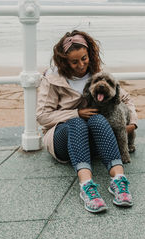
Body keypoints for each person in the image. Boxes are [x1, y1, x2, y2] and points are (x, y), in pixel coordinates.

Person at [36, 30, 138, 213]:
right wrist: (76, 113)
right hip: (63, 139)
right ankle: (87, 186)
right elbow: (42, 116)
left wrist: (133, 124)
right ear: (64, 61)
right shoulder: (53, 79)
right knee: (77, 122)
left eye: (84, 58)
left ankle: (118, 181)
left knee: (97, 118)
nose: (81, 65)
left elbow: (126, 99)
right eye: (74, 62)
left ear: (89, 54)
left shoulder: (96, 76)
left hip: (93, 139)